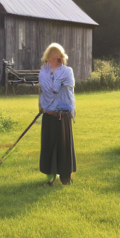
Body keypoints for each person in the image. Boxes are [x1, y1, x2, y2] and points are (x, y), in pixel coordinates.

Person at [38, 43, 76, 185]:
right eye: (52, 59)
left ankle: (65, 177)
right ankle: (50, 177)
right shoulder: (43, 72)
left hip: (62, 115)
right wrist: (41, 107)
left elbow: (58, 89)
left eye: (59, 58)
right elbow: (42, 90)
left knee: (64, 147)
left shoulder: (67, 71)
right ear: (47, 59)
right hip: (48, 115)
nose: (55, 61)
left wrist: (56, 71)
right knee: (49, 147)